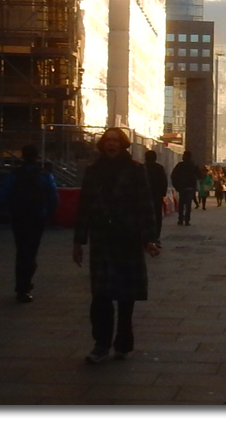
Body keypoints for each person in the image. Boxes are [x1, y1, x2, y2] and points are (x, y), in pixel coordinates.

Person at [73, 128, 160, 363]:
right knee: (100, 296)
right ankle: (101, 344)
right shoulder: (93, 171)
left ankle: (123, 343)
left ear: (123, 145)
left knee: (125, 297)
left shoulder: (135, 170)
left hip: (128, 239)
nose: (111, 144)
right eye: (107, 141)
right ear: (103, 145)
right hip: (102, 240)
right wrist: (78, 240)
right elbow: (85, 206)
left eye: (115, 141)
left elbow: (145, 204)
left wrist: (150, 238)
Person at [0, 145, 58, 303]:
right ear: (37, 156)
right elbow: (53, 197)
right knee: (32, 251)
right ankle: (26, 284)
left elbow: (2, 193)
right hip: (37, 217)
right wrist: (49, 214)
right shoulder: (44, 175)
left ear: (22, 156)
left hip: (19, 217)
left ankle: (21, 287)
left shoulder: (14, 174)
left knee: (21, 250)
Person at [143, 150, 168, 246]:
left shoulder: (142, 167)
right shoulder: (159, 168)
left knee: (145, 217)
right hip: (156, 196)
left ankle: (146, 238)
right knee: (157, 216)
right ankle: (156, 237)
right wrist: (163, 193)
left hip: (145, 197)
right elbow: (164, 181)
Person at [170, 150, 201, 226]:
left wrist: (176, 185)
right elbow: (199, 175)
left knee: (181, 203)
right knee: (188, 204)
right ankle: (187, 220)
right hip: (190, 187)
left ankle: (181, 219)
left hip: (182, 187)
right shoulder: (193, 165)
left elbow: (173, 175)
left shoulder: (180, 165)